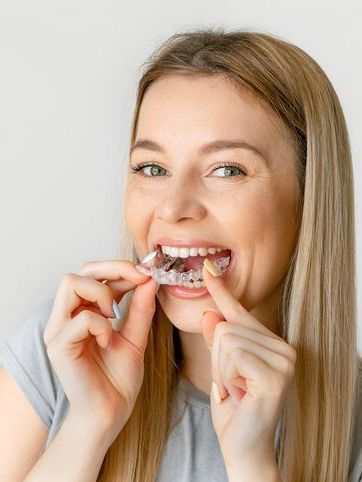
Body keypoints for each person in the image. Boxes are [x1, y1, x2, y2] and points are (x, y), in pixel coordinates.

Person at [0, 27, 361, 482]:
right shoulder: (62, 353)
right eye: (152, 168)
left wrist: (253, 465)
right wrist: (89, 425)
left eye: (226, 169)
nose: (172, 207)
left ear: (309, 199)